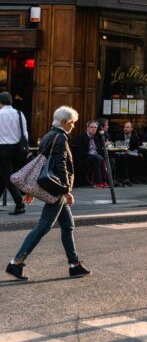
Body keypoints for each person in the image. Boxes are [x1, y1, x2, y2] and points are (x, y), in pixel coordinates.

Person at [5, 105, 90, 280]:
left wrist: (33, 189)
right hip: (56, 189)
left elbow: (40, 165)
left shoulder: (49, 135)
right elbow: (60, 166)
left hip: (51, 186)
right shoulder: (60, 138)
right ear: (65, 122)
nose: (73, 126)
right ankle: (16, 262)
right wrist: (66, 191)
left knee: (68, 225)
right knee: (43, 226)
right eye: (72, 123)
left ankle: (74, 264)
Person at [0, 91, 29, 216]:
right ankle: (19, 204)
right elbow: (24, 132)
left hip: (2, 148)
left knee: (7, 176)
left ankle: (19, 204)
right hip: (16, 149)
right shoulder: (19, 113)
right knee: (3, 175)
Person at [77, 120, 108, 188]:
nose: (94, 129)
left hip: (95, 157)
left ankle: (104, 181)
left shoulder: (96, 138)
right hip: (85, 158)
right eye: (92, 127)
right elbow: (81, 152)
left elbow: (99, 149)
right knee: (97, 158)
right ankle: (98, 182)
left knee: (104, 158)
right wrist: (94, 155)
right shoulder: (82, 137)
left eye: (95, 127)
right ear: (87, 128)